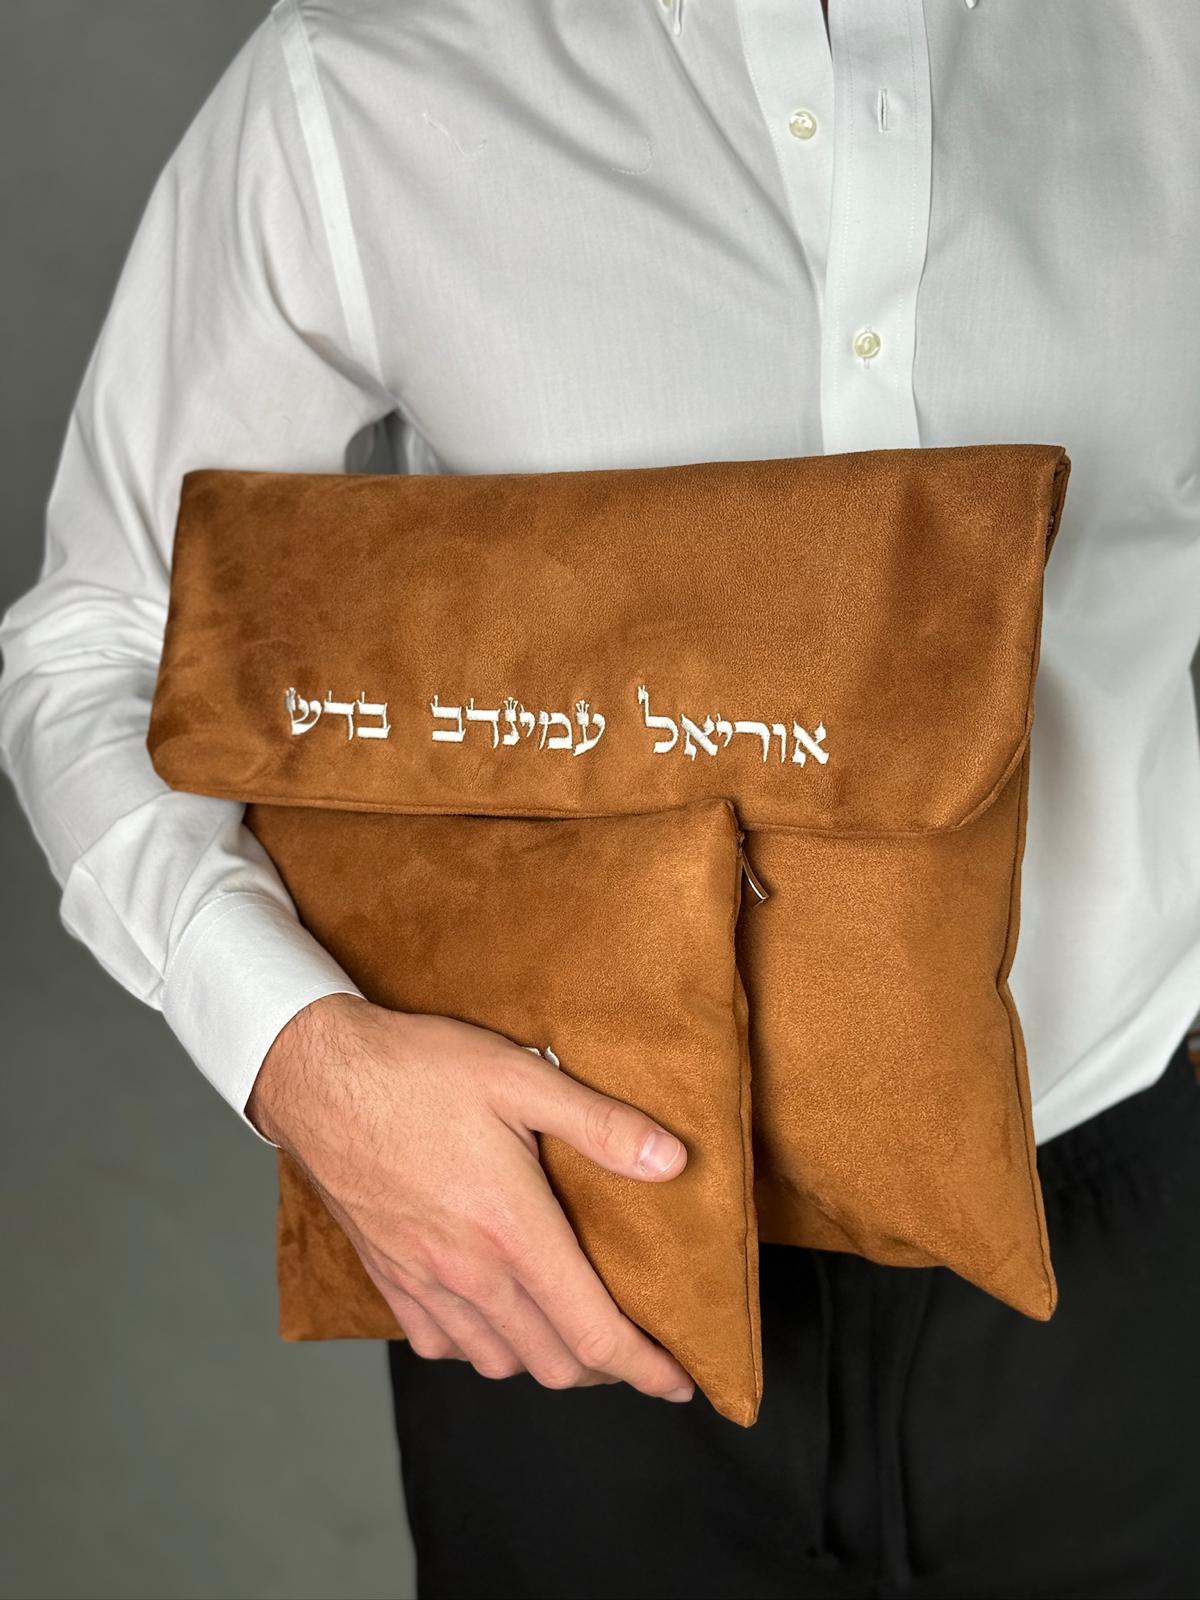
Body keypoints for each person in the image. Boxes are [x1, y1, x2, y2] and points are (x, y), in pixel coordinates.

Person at [2, 2, 1198, 1596]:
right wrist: (297, 1054)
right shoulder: (361, 74)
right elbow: (99, 642)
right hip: (551, 1251)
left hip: (1131, 1221)